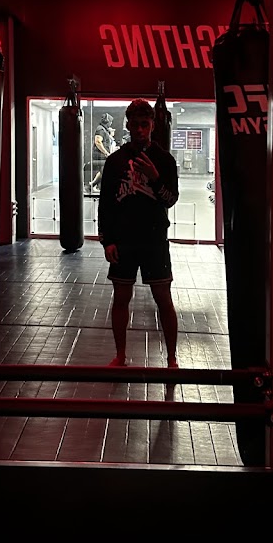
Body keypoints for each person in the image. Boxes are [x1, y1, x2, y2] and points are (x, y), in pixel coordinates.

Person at [98, 98, 180, 368]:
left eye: (145, 124)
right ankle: (120, 355)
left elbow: (170, 200)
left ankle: (171, 358)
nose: (140, 130)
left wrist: (155, 178)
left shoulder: (165, 160)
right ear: (128, 125)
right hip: (124, 240)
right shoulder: (115, 161)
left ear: (153, 125)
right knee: (121, 298)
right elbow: (106, 204)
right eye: (135, 125)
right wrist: (107, 240)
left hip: (154, 240)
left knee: (163, 299)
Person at [88, 112, 114, 192]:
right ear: (107, 121)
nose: (111, 123)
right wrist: (106, 153)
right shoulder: (100, 129)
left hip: (102, 155)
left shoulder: (103, 129)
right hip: (100, 156)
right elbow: (98, 142)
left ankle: (91, 186)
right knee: (106, 172)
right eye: (110, 122)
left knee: (103, 171)